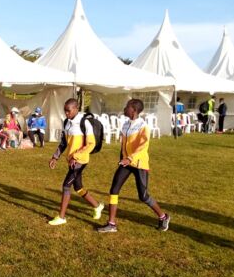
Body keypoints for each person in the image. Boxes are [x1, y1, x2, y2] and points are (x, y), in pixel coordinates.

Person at [97, 99, 170, 233]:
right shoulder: (126, 124)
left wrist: (130, 158)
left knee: (143, 196)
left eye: (127, 107)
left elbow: (143, 146)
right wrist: (122, 159)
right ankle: (111, 224)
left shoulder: (143, 126)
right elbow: (123, 145)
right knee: (114, 190)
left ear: (134, 110)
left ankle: (163, 216)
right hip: (126, 163)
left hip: (139, 164)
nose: (125, 109)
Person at [48, 98, 104, 226]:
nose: (66, 113)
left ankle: (61, 217)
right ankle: (97, 206)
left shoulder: (84, 123)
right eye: (65, 111)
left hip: (80, 161)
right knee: (78, 187)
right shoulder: (67, 122)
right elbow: (63, 142)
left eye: (68, 111)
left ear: (76, 108)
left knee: (66, 186)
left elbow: (91, 144)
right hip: (71, 161)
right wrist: (55, 157)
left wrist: (76, 156)